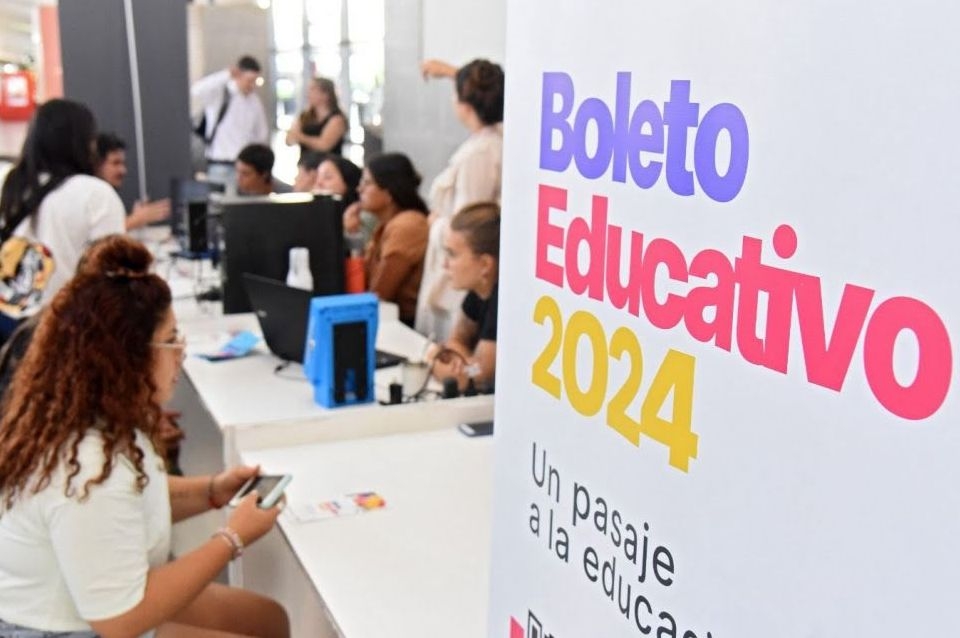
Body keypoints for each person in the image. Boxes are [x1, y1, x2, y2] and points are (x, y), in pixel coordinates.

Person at [0, 234, 290, 637]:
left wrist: (212, 491)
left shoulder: (98, 419)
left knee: (266, 619)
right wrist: (232, 538)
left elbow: (133, 497)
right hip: (70, 626)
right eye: (170, 339)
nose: (181, 351)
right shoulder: (86, 465)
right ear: (125, 356)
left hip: (100, 604)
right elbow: (120, 621)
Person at [0, 99, 125, 308]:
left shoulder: (13, 187)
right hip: (70, 321)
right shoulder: (95, 193)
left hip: (15, 320)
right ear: (83, 142)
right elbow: (114, 278)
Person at [415, 58, 505, 342]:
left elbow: (470, 225)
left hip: (463, 265)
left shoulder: (481, 153)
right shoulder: (490, 142)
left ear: (464, 105)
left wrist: (437, 222)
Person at [429, 201, 500, 392]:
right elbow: (456, 341)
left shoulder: (502, 304)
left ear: (485, 264)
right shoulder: (478, 291)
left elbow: (478, 375)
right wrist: (464, 365)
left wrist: (437, 365)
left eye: (452, 254)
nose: (445, 265)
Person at [359, 153, 429, 326]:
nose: (359, 189)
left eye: (367, 183)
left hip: (404, 324)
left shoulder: (407, 225)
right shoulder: (387, 224)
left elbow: (380, 294)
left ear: (389, 191)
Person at [191, 55, 269, 189]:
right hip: (220, 164)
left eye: (255, 81)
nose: (252, 85)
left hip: (245, 167)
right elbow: (196, 90)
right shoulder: (221, 93)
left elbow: (261, 134)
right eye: (249, 80)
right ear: (238, 75)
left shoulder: (254, 101)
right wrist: (226, 75)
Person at [95, 132, 172, 230]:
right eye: (116, 163)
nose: (123, 170)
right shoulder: (92, 197)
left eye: (123, 163)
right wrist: (136, 219)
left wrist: (136, 218)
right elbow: (103, 234)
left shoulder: (108, 197)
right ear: (98, 165)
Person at [285, 76, 347, 159]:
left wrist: (300, 137)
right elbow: (289, 140)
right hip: (305, 163)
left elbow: (324, 146)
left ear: (325, 95)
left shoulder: (337, 119)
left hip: (328, 163)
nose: (308, 94)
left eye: (313, 89)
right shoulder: (305, 116)